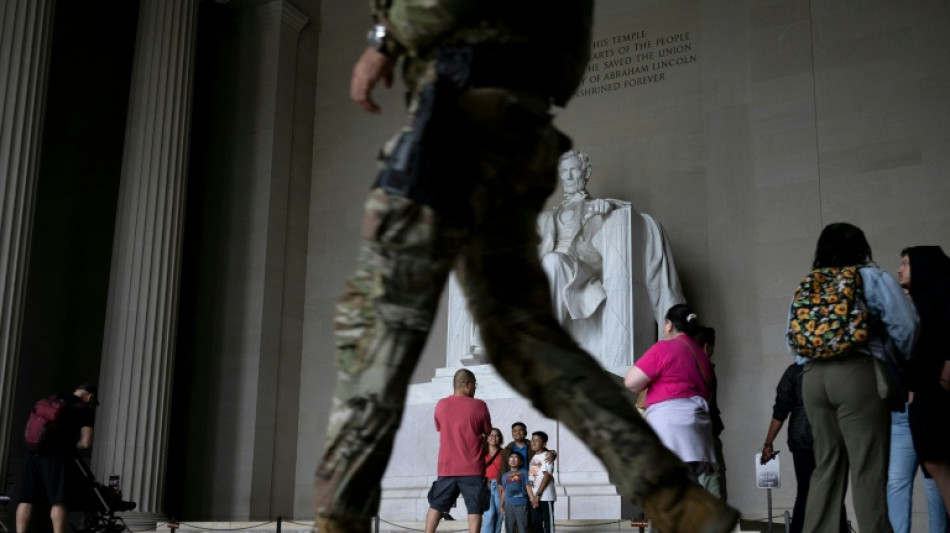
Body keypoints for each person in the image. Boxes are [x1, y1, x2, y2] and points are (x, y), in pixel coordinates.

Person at [312, 2, 739, 532]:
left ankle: (340, 516)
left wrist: (383, 41)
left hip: (457, 122)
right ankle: (673, 494)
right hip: (518, 126)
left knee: (377, 328)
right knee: (532, 343)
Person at [791, 223, 917, 533]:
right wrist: (898, 362)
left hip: (812, 378)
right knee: (868, 468)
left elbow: (790, 338)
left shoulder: (810, 283)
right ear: (862, 247)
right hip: (858, 373)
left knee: (826, 466)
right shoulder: (873, 278)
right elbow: (907, 327)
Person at [624, 304, 717, 481]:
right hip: (697, 431)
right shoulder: (703, 357)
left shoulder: (664, 348)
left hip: (670, 428)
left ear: (669, 325)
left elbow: (631, 381)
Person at [760, 363, 848, 533]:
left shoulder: (794, 371)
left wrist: (768, 442)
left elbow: (780, 410)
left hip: (801, 438)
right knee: (833, 491)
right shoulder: (832, 367)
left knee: (805, 491)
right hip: (829, 435)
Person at [900, 246, 950, 517]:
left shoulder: (940, 295)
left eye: (906, 263)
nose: (899, 269)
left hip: (935, 397)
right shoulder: (925, 300)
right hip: (927, 395)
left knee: (939, 469)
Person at [16, 383, 98, 533]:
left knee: (26, 500)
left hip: (32, 452)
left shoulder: (52, 399)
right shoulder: (84, 410)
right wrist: (71, 446)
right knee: (59, 501)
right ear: (90, 397)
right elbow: (86, 442)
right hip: (55, 457)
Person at [423, 369, 492, 533]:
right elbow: (487, 430)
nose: (475, 389)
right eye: (474, 385)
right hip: (472, 467)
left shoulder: (441, 405)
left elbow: (440, 428)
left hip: (447, 467)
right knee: (475, 508)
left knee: (436, 506)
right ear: (467, 385)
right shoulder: (479, 405)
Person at [693, 327, 727, 501]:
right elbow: (704, 407)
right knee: (713, 485)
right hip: (705, 438)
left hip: (686, 441)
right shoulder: (704, 369)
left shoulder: (683, 367)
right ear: (707, 347)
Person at [526, 432, 555, 533]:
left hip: (545, 496)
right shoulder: (534, 458)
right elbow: (532, 478)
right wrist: (532, 497)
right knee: (535, 522)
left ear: (544, 444)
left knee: (548, 523)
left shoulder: (547, 456)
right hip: (535, 497)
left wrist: (538, 494)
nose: (533, 443)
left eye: (536, 440)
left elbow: (546, 476)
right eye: (532, 440)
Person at [500, 452, 530, 533]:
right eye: (511, 458)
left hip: (522, 503)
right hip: (509, 504)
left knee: (523, 527)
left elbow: (528, 486)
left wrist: (532, 498)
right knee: (509, 528)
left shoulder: (524, 472)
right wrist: (501, 505)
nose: (513, 460)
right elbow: (504, 491)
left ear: (521, 462)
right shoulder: (504, 475)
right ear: (508, 461)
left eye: (516, 458)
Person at [482, 428, 505, 533]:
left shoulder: (504, 452)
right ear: (486, 438)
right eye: (491, 435)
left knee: (499, 513)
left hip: (500, 485)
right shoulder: (481, 453)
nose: (493, 438)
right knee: (489, 513)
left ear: (500, 438)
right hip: (486, 485)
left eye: (496, 435)